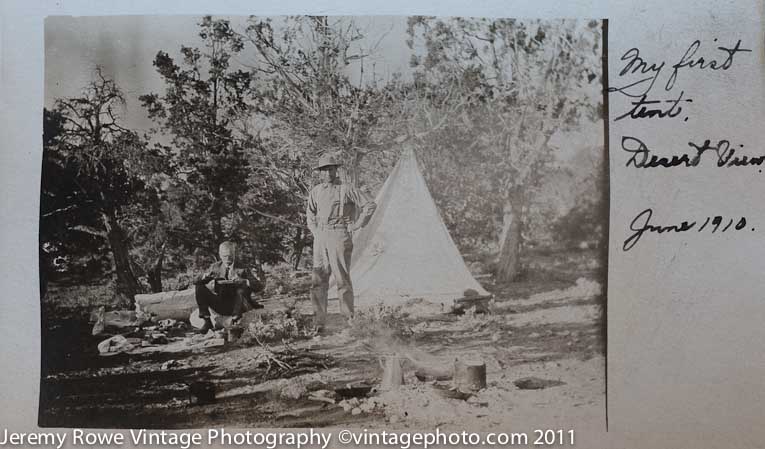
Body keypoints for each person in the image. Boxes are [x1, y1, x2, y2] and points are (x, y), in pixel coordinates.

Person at [306, 153, 377, 330]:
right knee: (318, 279)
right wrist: (316, 232)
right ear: (319, 173)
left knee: (341, 279)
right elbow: (310, 215)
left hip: (339, 234)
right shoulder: (316, 191)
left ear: (336, 170)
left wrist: (358, 224)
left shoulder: (346, 188)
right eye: (324, 170)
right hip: (321, 236)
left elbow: (370, 205)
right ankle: (319, 321)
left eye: (331, 169)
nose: (327, 173)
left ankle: (348, 320)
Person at [194, 241, 264, 333]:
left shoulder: (242, 268)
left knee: (241, 290)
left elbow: (259, 286)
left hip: (239, 305)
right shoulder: (215, 267)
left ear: (234, 254)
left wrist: (244, 281)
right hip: (221, 303)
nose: (227, 259)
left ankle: (235, 321)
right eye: (224, 256)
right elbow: (195, 281)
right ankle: (207, 322)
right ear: (220, 255)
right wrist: (204, 277)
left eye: (230, 256)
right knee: (199, 287)